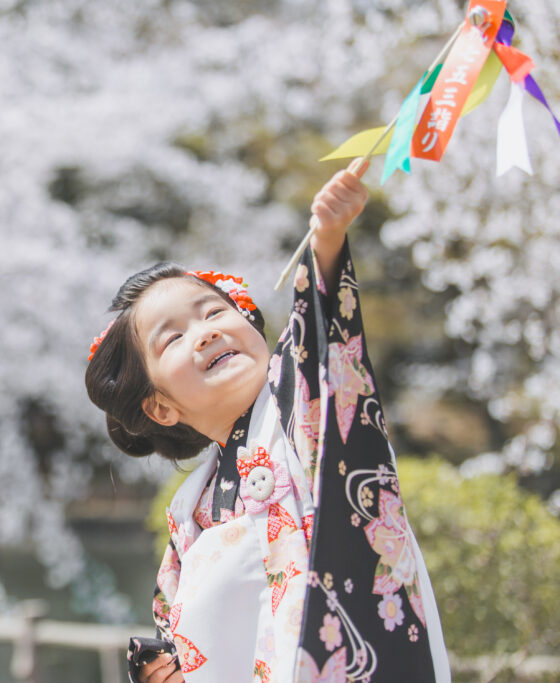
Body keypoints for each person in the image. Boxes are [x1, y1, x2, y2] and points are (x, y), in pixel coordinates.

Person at [85, 160, 450, 683]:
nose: (205, 332)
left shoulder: (301, 410)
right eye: (174, 338)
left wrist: (326, 241)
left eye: (213, 312)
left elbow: (323, 348)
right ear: (160, 406)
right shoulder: (188, 511)